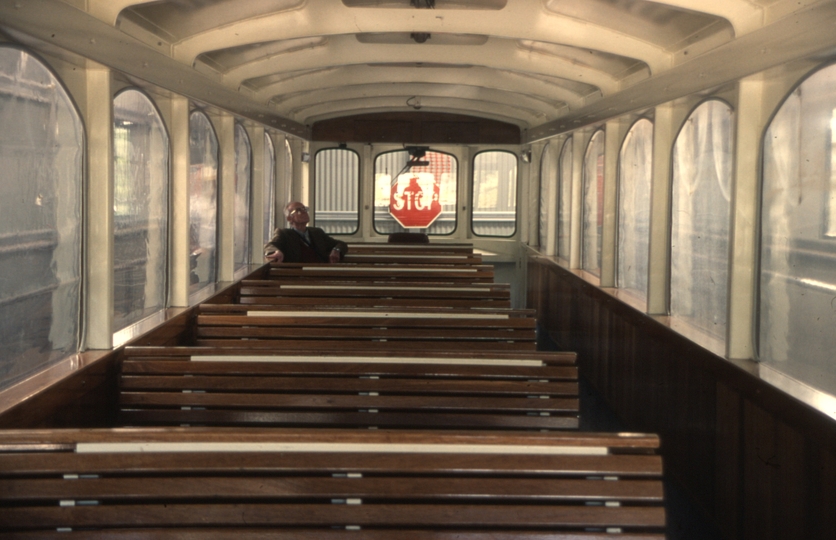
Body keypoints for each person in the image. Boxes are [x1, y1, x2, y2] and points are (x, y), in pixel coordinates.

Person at [263, 201, 348, 263]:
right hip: (297, 277)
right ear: (289, 218)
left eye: (305, 209)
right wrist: (276, 251)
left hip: (320, 274)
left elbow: (341, 244)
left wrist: (336, 250)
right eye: (299, 210)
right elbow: (270, 245)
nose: (304, 212)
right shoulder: (284, 234)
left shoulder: (317, 232)